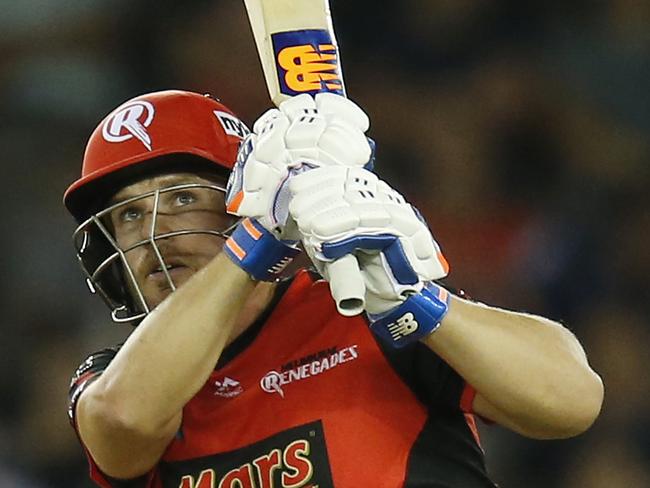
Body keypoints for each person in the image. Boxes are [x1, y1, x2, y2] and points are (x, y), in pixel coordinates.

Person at [64, 89, 603, 488]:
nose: (153, 232)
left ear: (237, 199)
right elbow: (123, 421)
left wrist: (419, 301)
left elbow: (571, 400)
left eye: (181, 199)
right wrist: (261, 238)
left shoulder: (360, 308)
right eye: (129, 215)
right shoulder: (114, 377)